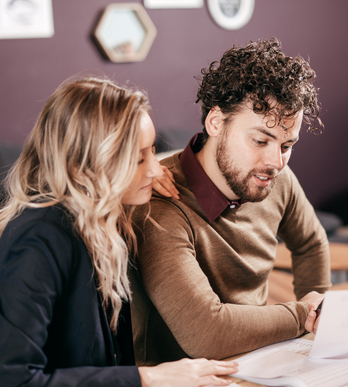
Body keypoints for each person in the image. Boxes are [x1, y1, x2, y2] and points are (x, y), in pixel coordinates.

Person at [0, 77, 237, 387]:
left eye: (154, 151)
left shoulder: (102, 221)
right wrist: (149, 379)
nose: (155, 169)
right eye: (138, 158)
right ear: (88, 167)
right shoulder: (39, 239)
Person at [128, 39, 330, 365]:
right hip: (181, 385)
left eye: (286, 145)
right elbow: (205, 333)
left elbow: (310, 241)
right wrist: (302, 315)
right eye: (260, 140)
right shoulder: (159, 203)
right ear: (216, 123)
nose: (275, 162)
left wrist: (318, 311)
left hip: (260, 359)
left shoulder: (274, 178)